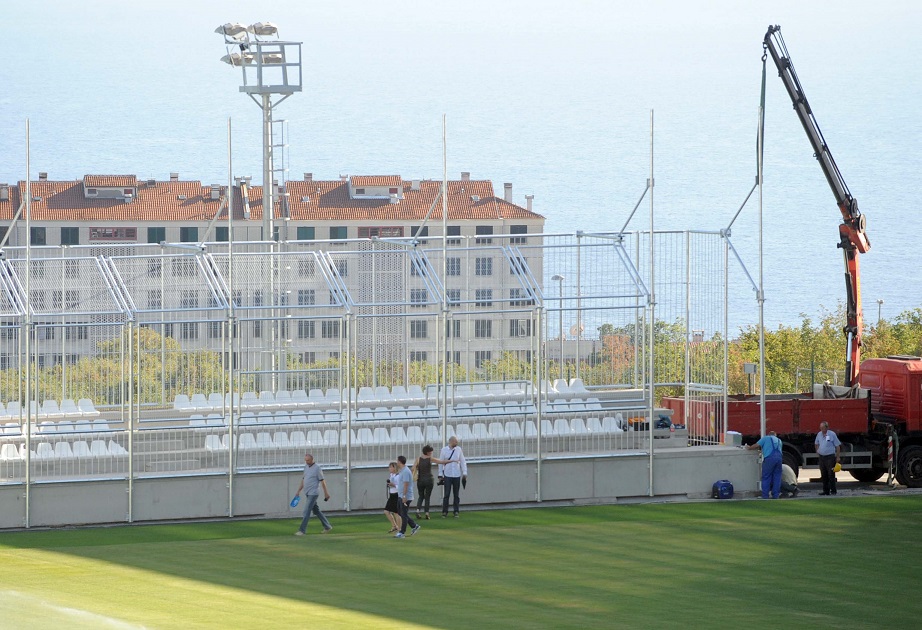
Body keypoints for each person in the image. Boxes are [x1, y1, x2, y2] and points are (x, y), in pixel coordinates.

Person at [294, 452, 332, 536]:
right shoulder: (306, 467)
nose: (306, 462)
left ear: (312, 459)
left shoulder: (317, 468)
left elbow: (322, 481)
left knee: (306, 511)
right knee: (316, 511)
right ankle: (327, 526)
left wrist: (326, 493)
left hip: (313, 493)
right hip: (307, 492)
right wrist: (298, 491)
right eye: (305, 460)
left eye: (308, 460)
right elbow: (303, 480)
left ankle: (302, 530)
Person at [413, 445, 451, 520]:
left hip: (420, 480)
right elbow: (441, 461)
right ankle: (427, 513)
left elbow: (413, 468)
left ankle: (418, 510)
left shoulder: (418, 459)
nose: (431, 453)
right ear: (428, 452)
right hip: (429, 479)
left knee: (421, 496)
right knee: (427, 496)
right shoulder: (430, 459)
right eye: (430, 452)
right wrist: (451, 461)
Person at [746, 430, 782, 499]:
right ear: (775, 435)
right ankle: (776, 495)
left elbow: (756, 445)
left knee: (766, 477)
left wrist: (749, 448)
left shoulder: (766, 438)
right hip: (779, 459)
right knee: (777, 477)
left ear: (769, 434)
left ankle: (765, 495)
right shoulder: (779, 440)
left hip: (769, 458)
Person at [439, 436, 468, 517]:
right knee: (446, 494)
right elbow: (441, 462)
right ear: (451, 442)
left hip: (456, 474)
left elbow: (462, 461)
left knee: (456, 494)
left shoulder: (459, 449)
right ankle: (445, 511)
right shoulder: (444, 450)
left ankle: (456, 511)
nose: (456, 443)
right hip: (447, 474)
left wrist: (464, 472)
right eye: (455, 441)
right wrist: (440, 474)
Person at [394, 455, 421, 538]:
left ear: (400, 462)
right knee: (400, 512)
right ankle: (414, 526)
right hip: (401, 495)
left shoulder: (405, 471)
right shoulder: (402, 470)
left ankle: (402, 532)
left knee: (404, 514)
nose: (397, 462)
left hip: (405, 496)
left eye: (397, 461)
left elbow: (406, 484)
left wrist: (404, 496)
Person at [815, 421, 842, 495]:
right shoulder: (819, 434)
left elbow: (837, 446)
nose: (821, 429)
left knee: (831, 474)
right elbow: (816, 443)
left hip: (830, 457)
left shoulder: (832, 434)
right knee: (823, 474)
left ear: (827, 427)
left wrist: (838, 456)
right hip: (822, 457)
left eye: (823, 427)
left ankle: (833, 491)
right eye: (820, 428)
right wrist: (818, 451)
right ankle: (825, 491)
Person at [385, 462, 401, 533]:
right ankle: (394, 525)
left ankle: (399, 529)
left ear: (395, 468)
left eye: (391, 467)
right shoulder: (391, 475)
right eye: (389, 467)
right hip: (392, 495)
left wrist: (393, 485)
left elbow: (400, 487)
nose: (390, 469)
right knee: (386, 511)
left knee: (396, 513)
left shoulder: (398, 476)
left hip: (396, 495)